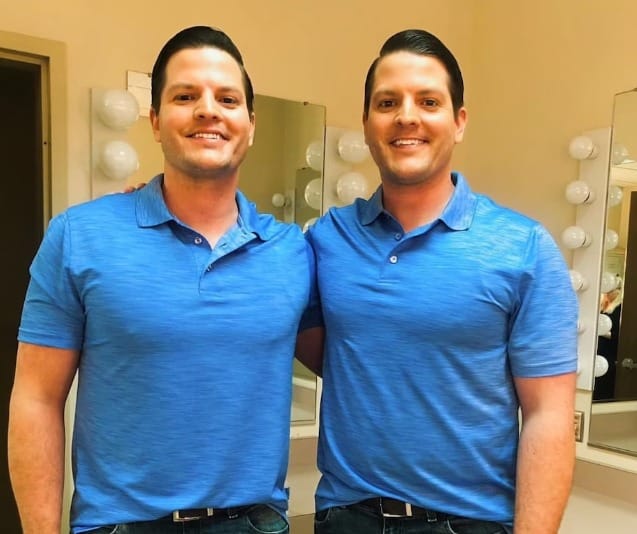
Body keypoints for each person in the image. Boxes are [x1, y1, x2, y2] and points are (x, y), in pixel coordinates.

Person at [8, 25, 314, 534]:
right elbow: (36, 398)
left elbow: (365, 355)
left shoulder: (293, 251)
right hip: (122, 524)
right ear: (154, 120)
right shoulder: (79, 236)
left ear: (251, 124)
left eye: (227, 99)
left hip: (253, 523)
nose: (208, 110)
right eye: (185, 96)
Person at [297, 29, 578, 533]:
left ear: (459, 121)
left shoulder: (524, 247)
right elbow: (327, 353)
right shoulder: (326, 239)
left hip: (469, 522)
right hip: (347, 518)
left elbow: (549, 416)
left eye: (428, 101)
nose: (407, 117)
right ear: (367, 124)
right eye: (387, 103)